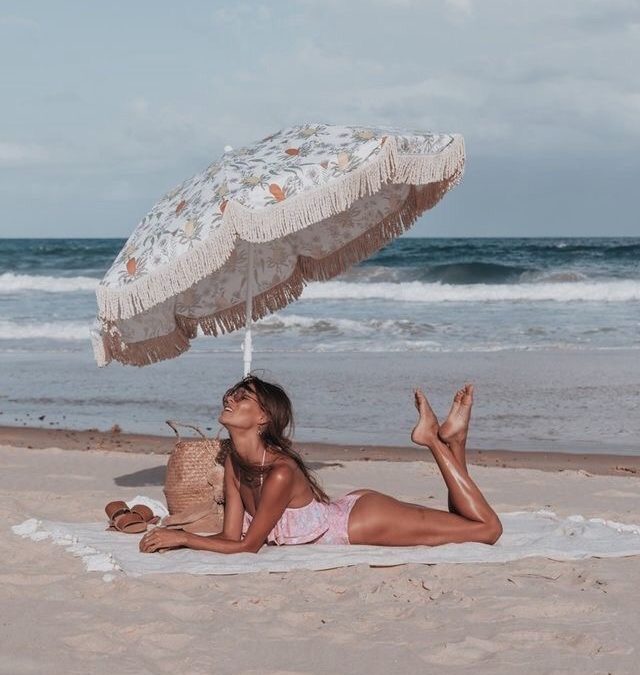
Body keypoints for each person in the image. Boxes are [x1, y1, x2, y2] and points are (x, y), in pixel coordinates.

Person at [140, 375, 502, 554]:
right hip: (351, 511)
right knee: (462, 526)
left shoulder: (280, 471)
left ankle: (435, 442)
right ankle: (455, 441)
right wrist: (183, 539)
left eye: (242, 397)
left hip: (361, 522)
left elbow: (249, 547)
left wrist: (184, 538)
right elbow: (231, 537)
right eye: (231, 395)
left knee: (486, 531)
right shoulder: (236, 463)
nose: (230, 399)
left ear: (263, 417)